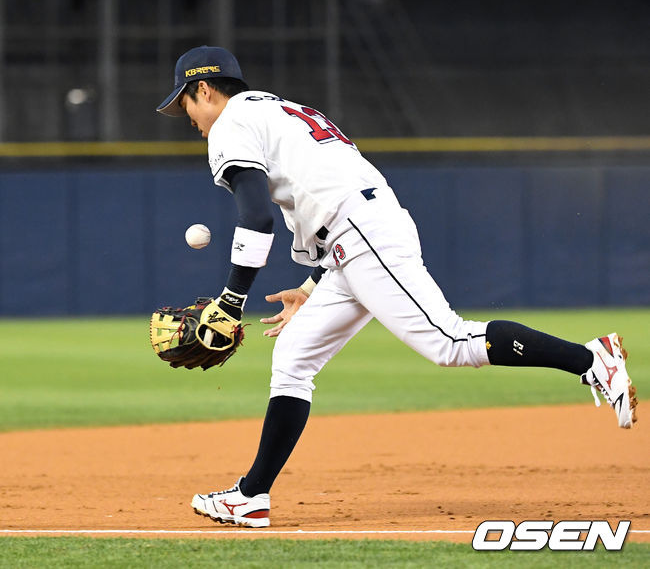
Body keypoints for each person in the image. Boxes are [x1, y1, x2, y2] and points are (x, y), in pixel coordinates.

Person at [157, 46, 637, 528]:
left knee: (449, 342)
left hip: (360, 233)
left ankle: (591, 359)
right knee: (294, 358)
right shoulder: (281, 110)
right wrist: (311, 283)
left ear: (204, 88)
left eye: (185, 104)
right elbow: (328, 190)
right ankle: (251, 496)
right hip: (358, 232)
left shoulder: (230, 125)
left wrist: (230, 301)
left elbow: (257, 218)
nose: (188, 117)